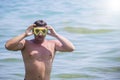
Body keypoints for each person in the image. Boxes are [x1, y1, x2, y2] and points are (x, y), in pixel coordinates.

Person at [5, 20, 75, 80]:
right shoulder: (26, 44)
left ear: (47, 31)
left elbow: (71, 48)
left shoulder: (53, 44)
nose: (40, 34)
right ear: (33, 31)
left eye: (43, 31)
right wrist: (25, 34)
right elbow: (8, 46)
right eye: (37, 31)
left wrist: (55, 35)